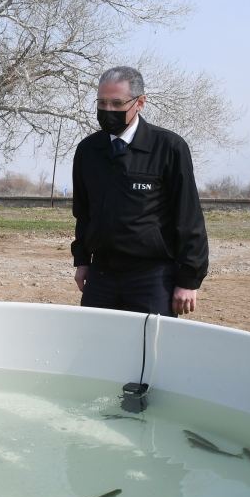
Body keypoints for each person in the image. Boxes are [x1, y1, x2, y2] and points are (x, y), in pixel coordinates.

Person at [71, 65, 208, 317]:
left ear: (140, 102)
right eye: (102, 103)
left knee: (149, 353)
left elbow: (188, 218)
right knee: (95, 348)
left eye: (116, 103)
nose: (108, 110)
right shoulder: (88, 151)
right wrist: (81, 261)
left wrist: (188, 279)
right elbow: (83, 213)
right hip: (102, 276)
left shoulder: (169, 148)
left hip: (152, 278)